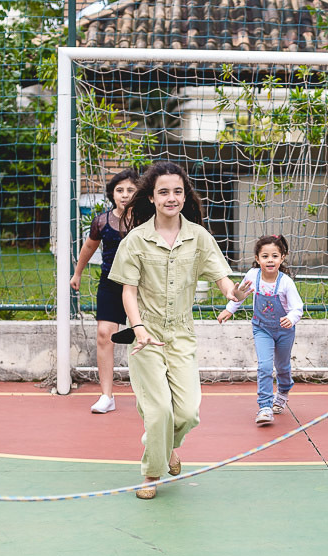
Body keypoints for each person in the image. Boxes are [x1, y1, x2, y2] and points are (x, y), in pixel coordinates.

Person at [109, 161, 250, 500]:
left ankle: (168, 447)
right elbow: (128, 291)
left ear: (184, 195)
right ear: (153, 198)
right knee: (158, 412)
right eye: (164, 192)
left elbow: (221, 279)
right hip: (146, 337)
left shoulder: (199, 238)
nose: (171, 198)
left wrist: (234, 293)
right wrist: (139, 328)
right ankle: (152, 472)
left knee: (186, 412)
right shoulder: (136, 241)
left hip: (181, 335)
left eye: (177, 191)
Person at [69, 168, 139, 414]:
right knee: (104, 334)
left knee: (144, 337)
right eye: (120, 190)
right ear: (112, 194)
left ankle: (148, 393)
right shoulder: (102, 221)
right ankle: (106, 396)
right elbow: (89, 247)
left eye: (130, 190)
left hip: (142, 286)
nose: (125, 194)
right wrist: (77, 273)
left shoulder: (147, 221)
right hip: (111, 284)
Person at [221, 235, 303, 425]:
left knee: (282, 367)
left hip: (284, 331)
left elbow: (297, 307)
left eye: (275, 256)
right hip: (262, 329)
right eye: (265, 256)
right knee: (265, 367)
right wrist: (229, 309)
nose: (270, 260)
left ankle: (283, 392)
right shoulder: (252, 275)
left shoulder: (285, 282)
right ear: (257, 259)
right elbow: (240, 294)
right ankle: (265, 407)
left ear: (282, 258)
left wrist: (290, 319)